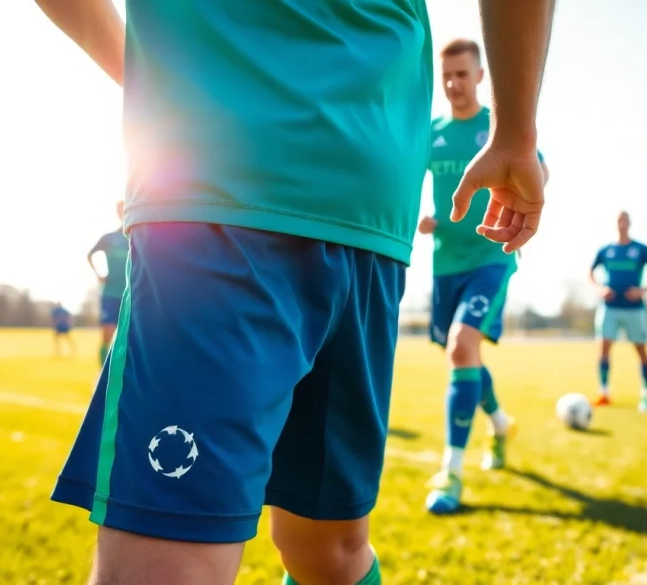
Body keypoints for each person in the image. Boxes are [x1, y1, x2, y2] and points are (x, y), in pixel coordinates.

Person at [34, 0, 554, 582]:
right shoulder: (434, 134)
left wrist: (513, 131)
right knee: (254, 555)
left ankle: (468, 452)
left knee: (310, 553)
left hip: (309, 216)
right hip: (284, 201)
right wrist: (518, 130)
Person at [417, 38, 550, 515]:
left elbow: (538, 167)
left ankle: (451, 472)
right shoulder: (429, 132)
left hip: (491, 259)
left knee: (460, 346)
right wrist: (427, 220)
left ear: (480, 77)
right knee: (463, 354)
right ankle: (499, 423)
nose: (453, 83)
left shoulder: (497, 130)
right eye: (447, 74)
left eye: (462, 73)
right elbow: (411, 185)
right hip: (445, 263)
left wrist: (531, 185)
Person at [589, 211, 647, 412]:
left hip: (634, 310)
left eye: (624, 220)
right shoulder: (605, 250)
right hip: (609, 308)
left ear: (629, 223)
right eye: (618, 220)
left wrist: (644, 290)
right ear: (614, 223)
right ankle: (603, 392)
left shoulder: (640, 249)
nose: (621, 223)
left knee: (641, 351)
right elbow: (590, 272)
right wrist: (599, 289)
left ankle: (646, 395)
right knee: (603, 349)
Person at [87, 201, 129, 364]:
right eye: (121, 210)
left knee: (129, 336)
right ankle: (102, 372)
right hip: (111, 292)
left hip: (130, 293)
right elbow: (90, 254)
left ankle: (124, 372)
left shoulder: (136, 238)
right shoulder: (109, 238)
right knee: (107, 333)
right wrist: (99, 274)